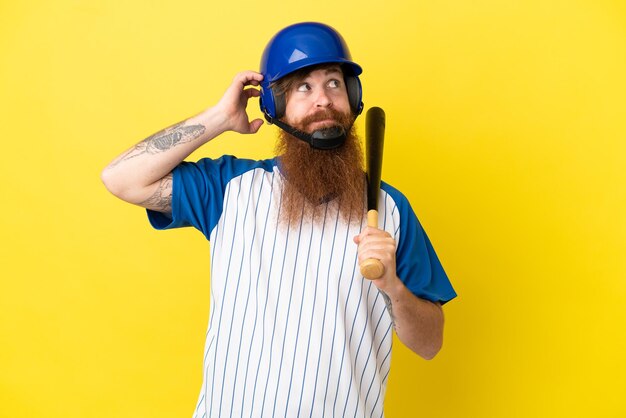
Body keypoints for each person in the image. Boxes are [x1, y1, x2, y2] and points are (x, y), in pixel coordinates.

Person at [102, 22, 456, 418]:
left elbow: (430, 343)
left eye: (334, 83)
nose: (323, 99)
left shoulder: (389, 210)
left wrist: (393, 288)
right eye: (303, 86)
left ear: (354, 97)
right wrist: (220, 117)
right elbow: (121, 178)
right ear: (274, 105)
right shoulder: (228, 189)